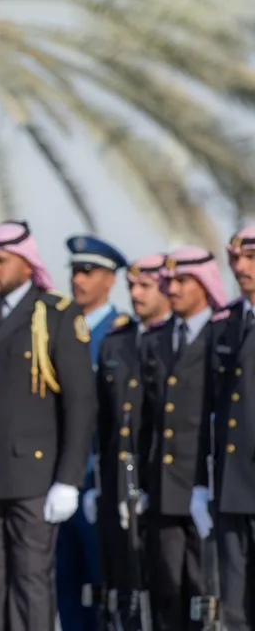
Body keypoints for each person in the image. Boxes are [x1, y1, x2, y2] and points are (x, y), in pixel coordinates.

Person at [0, 220, 96, 631]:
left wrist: (68, 479)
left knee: (31, 583)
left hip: (35, 477)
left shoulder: (56, 315)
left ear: (27, 263)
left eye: (1, 260)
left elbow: (80, 405)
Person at [140, 246, 225, 631]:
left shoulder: (221, 335)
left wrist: (209, 485)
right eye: (168, 281)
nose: (171, 289)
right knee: (167, 593)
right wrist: (143, 484)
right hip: (163, 487)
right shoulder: (156, 339)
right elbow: (147, 419)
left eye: (182, 281)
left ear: (205, 283)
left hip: (206, 485)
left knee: (206, 594)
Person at [91, 254, 170, 624]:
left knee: (165, 587)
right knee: (122, 585)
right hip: (118, 482)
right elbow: (105, 422)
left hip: (163, 482)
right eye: (132, 286)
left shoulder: (173, 341)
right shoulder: (116, 342)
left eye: (145, 286)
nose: (136, 294)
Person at [57, 235, 127, 631]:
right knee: (64, 587)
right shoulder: (59, 329)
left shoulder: (119, 335)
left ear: (109, 279)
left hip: (96, 480)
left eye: (89, 271)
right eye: (75, 271)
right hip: (57, 478)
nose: (78, 280)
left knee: (103, 588)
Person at [192, 228, 255, 631]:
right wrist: (201, 483)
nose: (240, 267)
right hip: (233, 486)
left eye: (250, 258)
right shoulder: (225, 323)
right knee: (235, 605)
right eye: (234, 259)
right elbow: (206, 410)